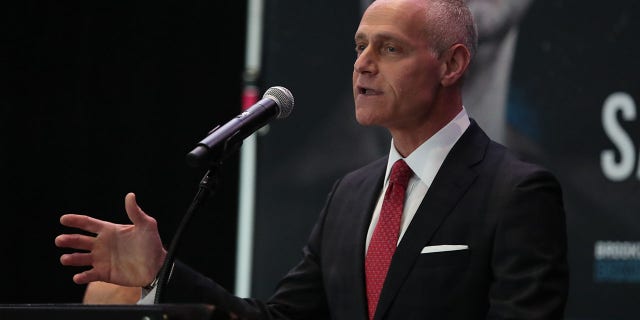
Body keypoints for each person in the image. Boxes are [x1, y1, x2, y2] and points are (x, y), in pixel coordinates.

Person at [55, 0, 569, 318]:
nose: (363, 65)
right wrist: (160, 272)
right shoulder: (350, 194)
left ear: (452, 63)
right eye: (359, 46)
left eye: (389, 49)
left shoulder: (516, 193)